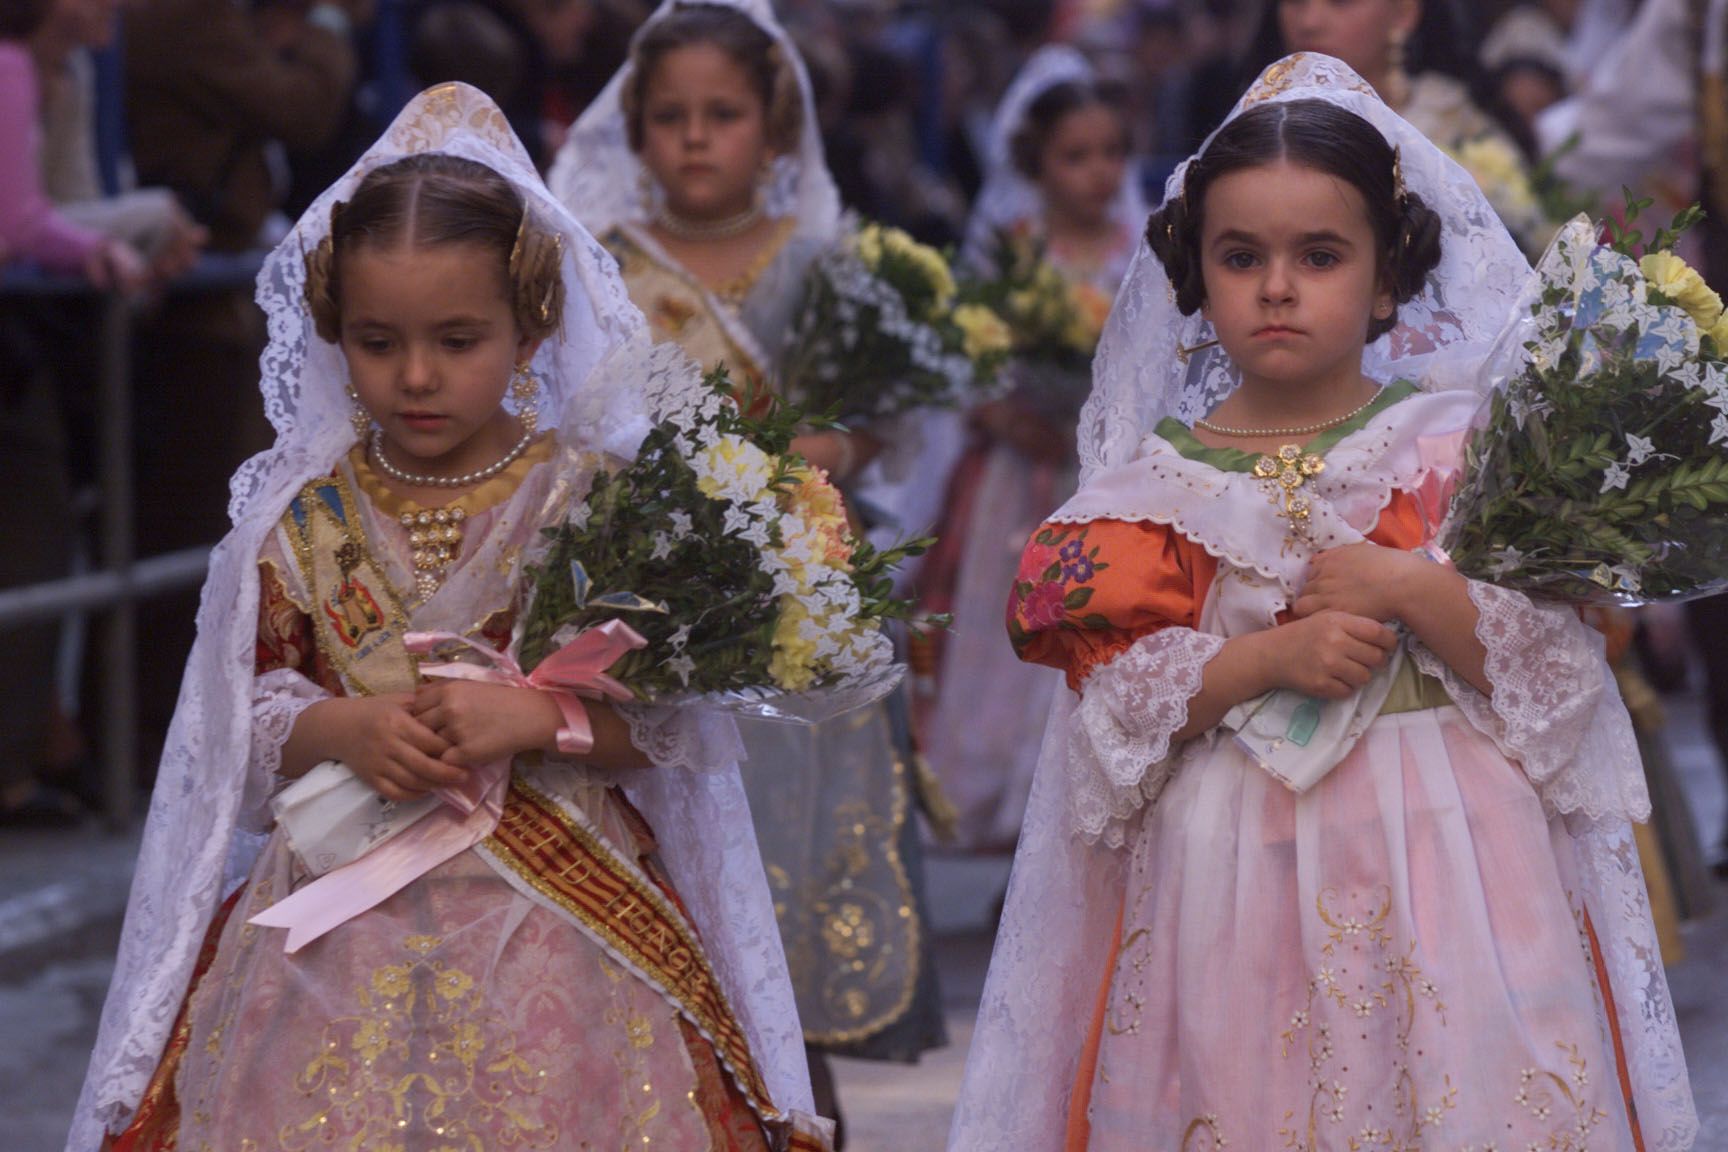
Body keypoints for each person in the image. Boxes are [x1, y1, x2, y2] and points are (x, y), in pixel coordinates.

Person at [947, 54, 1696, 1150]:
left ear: (1387, 278)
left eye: (1321, 256)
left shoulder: (1463, 455)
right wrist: (1259, 663)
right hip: (1234, 859)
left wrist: (1411, 588)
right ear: (1194, 280)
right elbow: (1113, 711)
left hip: (1453, 849)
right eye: (1241, 257)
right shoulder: (1151, 492)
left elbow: (1555, 675)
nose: (1278, 286)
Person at [65, 82, 830, 1152]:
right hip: (332, 918)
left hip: (561, 915)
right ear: (335, 331)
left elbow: (673, 721)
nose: (415, 377)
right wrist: (339, 729)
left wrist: (534, 721)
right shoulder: (302, 517)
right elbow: (242, 708)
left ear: (531, 328)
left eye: (458, 340)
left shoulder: (599, 503)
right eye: (378, 343)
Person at [550, 2, 947, 1138]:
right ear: (634, 132)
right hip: (656, 616)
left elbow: (873, 420)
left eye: (721, 114)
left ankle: (806, 1106)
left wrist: (811, 456)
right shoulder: (602, 272)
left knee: (794, 874)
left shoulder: (821, 266)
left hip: (799, 608)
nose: (693, 138)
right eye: (669, 117)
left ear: (775, 131)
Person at [920, 45, 1138, 851]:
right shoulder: (1010, 252)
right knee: (1002, 631)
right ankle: (997, 809)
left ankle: (1064, 811)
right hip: (1016, 479)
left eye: (1112, 152)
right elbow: (965, 361)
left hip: (1099, 473)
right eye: (1076, 156)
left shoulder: (1138, 252)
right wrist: (1005, 412)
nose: (1099, 172)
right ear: (1034, 163)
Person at [1244, 0, 1555, 257]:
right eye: (1295, 2)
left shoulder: (1455, 125)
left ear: (1404, 13)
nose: (1310, 21)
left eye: (1340, 2)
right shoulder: (1251, 128)